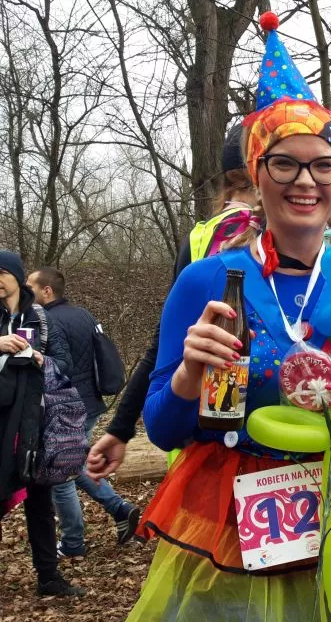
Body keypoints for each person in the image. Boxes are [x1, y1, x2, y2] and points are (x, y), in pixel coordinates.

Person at [102, 14, 331, 622]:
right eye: (285, 163)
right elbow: (165, 429)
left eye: (322, 164)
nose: (305, 180)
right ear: (256, 174)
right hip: (235, 521)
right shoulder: (209, 280)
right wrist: (186, 376)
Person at [87, 124, 260, 482]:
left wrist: (120, 427)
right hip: (272, 443)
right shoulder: (292, 234)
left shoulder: (200, 237)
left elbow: (162, 343)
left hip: (202, 452)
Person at [26, 267, 140, 556]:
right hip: (89, 403)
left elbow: (56, 366)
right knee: (73, 466)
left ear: (47, 291)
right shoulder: (83, 315)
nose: (27, 291)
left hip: (65, 407)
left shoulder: (47, 321)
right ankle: (120, 509)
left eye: (31, 286)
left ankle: (73, 542)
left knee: (59, 479)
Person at [0, 250, 83, 597]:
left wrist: (38, 358)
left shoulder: (40, 318)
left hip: (36, 421)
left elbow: (64, 363)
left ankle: (48, 576)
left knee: (39, 500)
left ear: (17, 277)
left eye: (2, 273)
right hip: (2, 422)